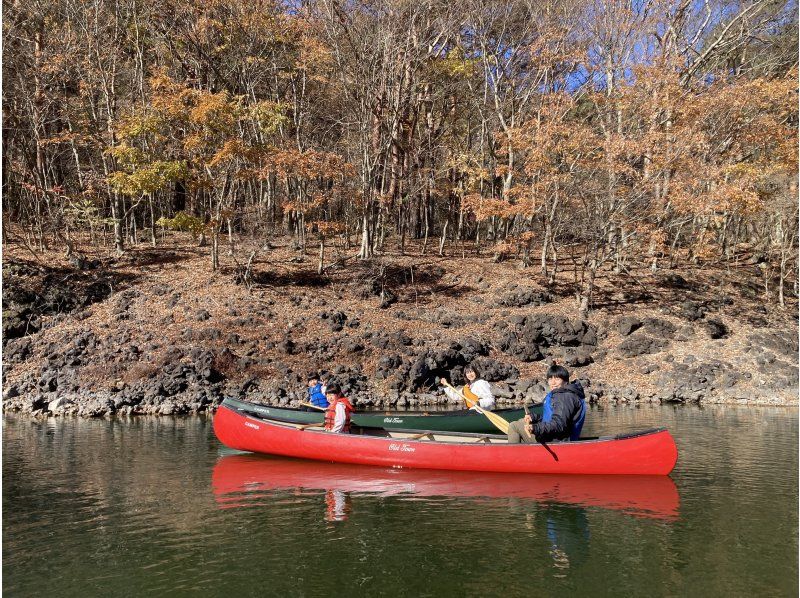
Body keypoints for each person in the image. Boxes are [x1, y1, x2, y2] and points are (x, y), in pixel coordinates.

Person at [507, 364, 586, 444]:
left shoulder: (564, 397)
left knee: (514, 426)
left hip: (556, 442)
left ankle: (513, 455)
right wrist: (534, 417)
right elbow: (554, 417)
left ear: (565, 382)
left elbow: (559, 424)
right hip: (552, 437)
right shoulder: (562, 394)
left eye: (557, 379)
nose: (553, 382)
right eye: (550, 379)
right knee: (521, 422)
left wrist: (535, 428)